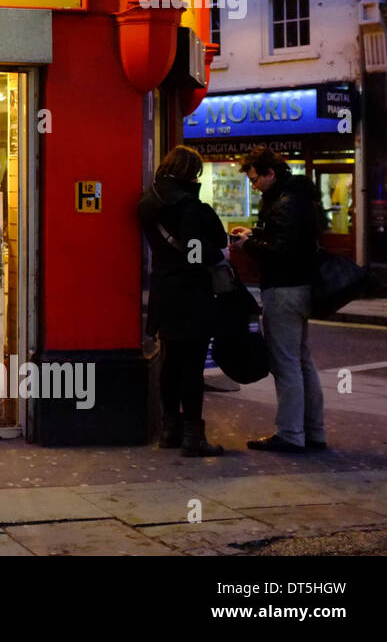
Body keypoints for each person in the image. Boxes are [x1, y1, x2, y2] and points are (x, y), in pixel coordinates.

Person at [229, 147, 325, 453]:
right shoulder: (295, 195)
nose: (254, 185)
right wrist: (255, 232)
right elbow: (288, 238)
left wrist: (249, 245)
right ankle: (314, 431)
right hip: (303, 286)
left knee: (285, 363)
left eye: (256, 179)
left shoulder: (283, 201)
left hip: (284, 289)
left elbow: (282, 249)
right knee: (302, 361)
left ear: (270, 173)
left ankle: (290, 433)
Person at [137, 145, 228, 457]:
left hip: (164, 292)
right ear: (192, 173)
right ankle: (193, 436)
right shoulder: (189, 206)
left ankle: (169, 430)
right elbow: (194, 252)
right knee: (192, 368)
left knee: (170, 364)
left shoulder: (149, 201)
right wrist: (215, 254)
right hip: (191, 295)